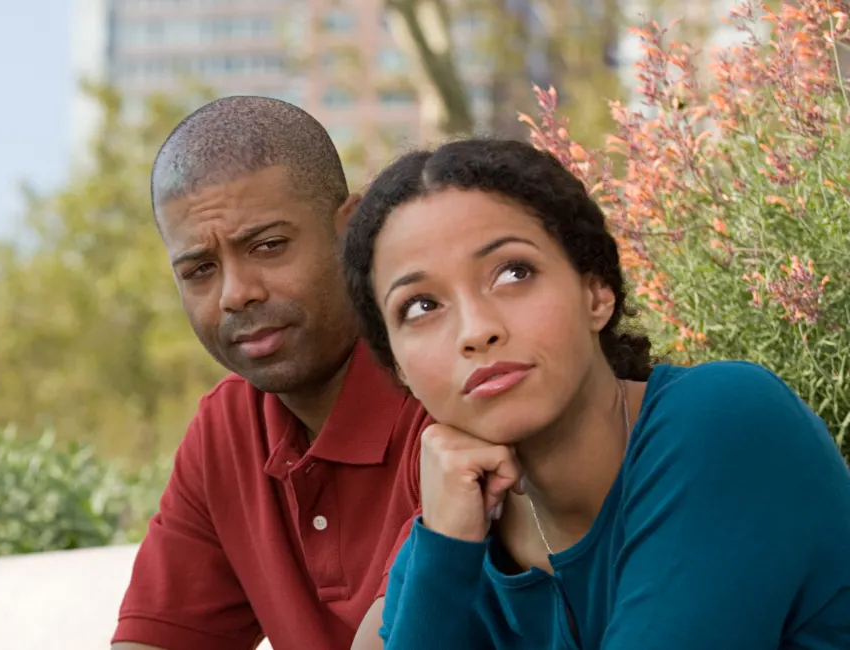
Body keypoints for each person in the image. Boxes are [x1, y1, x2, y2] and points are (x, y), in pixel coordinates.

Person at [340, 137, 850, 649]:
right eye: (421, 306)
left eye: (514, 273)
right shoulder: (445, 540)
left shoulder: (728, 422)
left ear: (596, 292)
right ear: (398, 367)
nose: (476, 330)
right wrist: (446, 550)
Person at [110, 95, 430, 650]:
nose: (237, 294)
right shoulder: (227, 429)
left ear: (351, 233)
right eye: (200, 270)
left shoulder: (446, 387)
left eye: (268, 246)